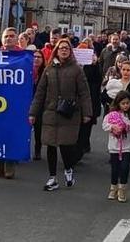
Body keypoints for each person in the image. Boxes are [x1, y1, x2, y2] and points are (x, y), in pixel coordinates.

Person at [29, 38, 93, 191]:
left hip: (69, 113)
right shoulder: (49, 69)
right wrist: (33, 113)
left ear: (70, 51)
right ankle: (52, 178)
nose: (64, 50)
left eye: (66, 48)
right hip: (50, 112)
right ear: (56, 51)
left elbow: (84, 93)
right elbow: (40, 93)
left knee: (66, 146)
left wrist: (87, 113)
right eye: (61, 48)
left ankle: (68, 169)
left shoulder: (76, 70)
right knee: (51, 145)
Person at [0, 28, 22, 178]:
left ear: (16, 39)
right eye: (6, 36)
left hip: (14, 101)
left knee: (10, 133)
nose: (8, 39)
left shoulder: (23, 56)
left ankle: (10, 164)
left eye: (12, 36)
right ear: (2, 39)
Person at [102, 91, 130, 203]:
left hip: (127, 146)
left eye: (127, 103)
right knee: (115, 168)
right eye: (123, 103)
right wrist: (113, 127)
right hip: (114, 146)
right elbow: (104, 125)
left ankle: (122, 188)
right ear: (118, 104)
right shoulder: (112, 114)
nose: (126, 106)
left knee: (125, 167)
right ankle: (113, 188)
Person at [31, 49, 46, 160]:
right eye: (34, 57)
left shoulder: (46, 72)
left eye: (39, 57)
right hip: (26, 102)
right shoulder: (25, 71)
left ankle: (37, 150)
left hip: (40, 104)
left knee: (38, 128)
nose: (36, 59)